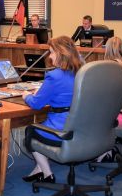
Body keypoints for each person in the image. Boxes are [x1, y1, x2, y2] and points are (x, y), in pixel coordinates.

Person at [22, 36, 82, 184]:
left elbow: (36, 104)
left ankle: (47, 174)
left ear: (60, 53)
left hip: (61, 129)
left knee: (30, 132)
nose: (49, 56)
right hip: (81, 127)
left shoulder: (54, 76)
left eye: (51, 52)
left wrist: (26, 96)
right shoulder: (82, 72)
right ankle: (39, 169)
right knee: (42, 124)